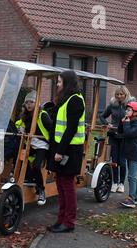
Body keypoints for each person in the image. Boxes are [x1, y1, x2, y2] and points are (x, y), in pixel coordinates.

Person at [47, 71, 86, 233]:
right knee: (61, 185)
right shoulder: (66, 99)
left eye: (59, 82)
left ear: (67, 83)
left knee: (67, 186)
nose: (57, 84)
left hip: (70, 149)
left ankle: (69, 222)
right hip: (61, 147)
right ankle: (61, 219)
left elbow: (70, 129)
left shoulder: (76, 100)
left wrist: (60, 152)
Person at [15, 90, 53, 205]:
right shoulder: (25, 116)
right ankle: (26, 178)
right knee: (18, 157)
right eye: (27, 103)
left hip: (43, 145)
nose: (29, 105)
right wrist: (20, 129)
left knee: (37, 166)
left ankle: (41, 190)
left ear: (37, 103)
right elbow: (19, 124)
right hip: (31, 144)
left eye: (32, 102)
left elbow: (52, 129)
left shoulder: (43, 115)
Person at [100, 86, 135, 193]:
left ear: (126, 94)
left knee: (122, 161)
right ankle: (114, 183)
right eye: (117, 94)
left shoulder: (131, 106)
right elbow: (102, 116)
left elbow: (135, 118)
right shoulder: (112, 105)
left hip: (124, 136)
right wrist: (107, 124)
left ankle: (121, 184)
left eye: (121, 94)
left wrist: (130, 126)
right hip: (113, 135)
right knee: (114, 161)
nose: (119, 96)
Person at [118, 102, 137, 208]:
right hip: (129, 152)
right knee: (133, 176)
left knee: (131, 176)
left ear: (136, 113)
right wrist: (122, 123)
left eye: (129, 110)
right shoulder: (130, 121)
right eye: (126, 109)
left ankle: (131, 199)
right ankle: (136, 197)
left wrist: (126, 124)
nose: (126, 111)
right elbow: (121, 132)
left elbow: (128, 134)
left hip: (135, 153)